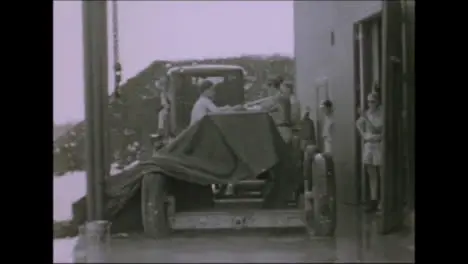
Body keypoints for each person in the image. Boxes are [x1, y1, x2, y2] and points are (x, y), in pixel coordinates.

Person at [356, 92, 383, 213]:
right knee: (371, 174)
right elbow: (358, 124)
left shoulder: (380, 113)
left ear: (377, 102)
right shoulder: (366, 114)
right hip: (369, 145)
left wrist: (366, 118)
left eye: (372, 101)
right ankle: (373, 200)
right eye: (368, 102)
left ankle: (382, 201)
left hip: (378, 145)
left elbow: (378, 128)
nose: (370, 104)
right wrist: (363, 135)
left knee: (381, 173)